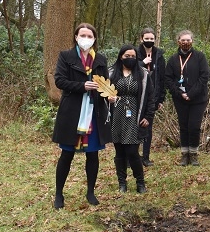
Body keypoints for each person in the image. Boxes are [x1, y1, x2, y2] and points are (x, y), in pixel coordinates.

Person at [52, 23, 112, 209]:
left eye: (89, 36)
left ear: (94, 39)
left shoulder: (100, 59)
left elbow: (105, 84)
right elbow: (59, 80)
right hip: (73, 113)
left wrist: (109, 95)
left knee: (92, 155)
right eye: (82, 35)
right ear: (76, 37)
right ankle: (59, 194)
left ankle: (91, 192)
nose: (86, 39)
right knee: (66, 155)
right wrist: (82, 86)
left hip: (94, 113)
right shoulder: (66, 56)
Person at [108, 45, 155, 194]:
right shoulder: (111, 73)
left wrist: (148, 116)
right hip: (116, 116)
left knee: (132, 152)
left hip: (135, 116)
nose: (130, 59)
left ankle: (140, 182)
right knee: (119, 152)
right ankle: (122, 183)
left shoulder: (143, 74)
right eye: (127, 56)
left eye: (133, 56)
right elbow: (100, 96)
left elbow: (150, 97)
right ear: (120, 56)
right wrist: (108, 99)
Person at [165, 30, 210, 166]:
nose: (185, 42)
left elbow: (204, 77)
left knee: (194, 126)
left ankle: (194, 154)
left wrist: (191, 94)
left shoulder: (200, 57)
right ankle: (185, 154)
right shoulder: (173, 59)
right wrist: (180, 93)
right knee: (183, 126)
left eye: (188, 40)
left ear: (192, 41)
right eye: (183, 40)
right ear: (178, 41)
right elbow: (168, 79)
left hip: (198, 99)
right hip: (180, 99)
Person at [137, 27, 166, 167]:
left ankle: (146, 157)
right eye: (146, 38)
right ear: (141, 39)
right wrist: (142, 63)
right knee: (134, 126)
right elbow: (129, 69)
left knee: (148, 126)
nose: (149, 41)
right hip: (137, 95)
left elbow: (162, 78)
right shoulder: (135, 53)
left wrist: (161, 99)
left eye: (151, 39)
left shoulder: (159, 55)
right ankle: (133, 156)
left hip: (152, 96)